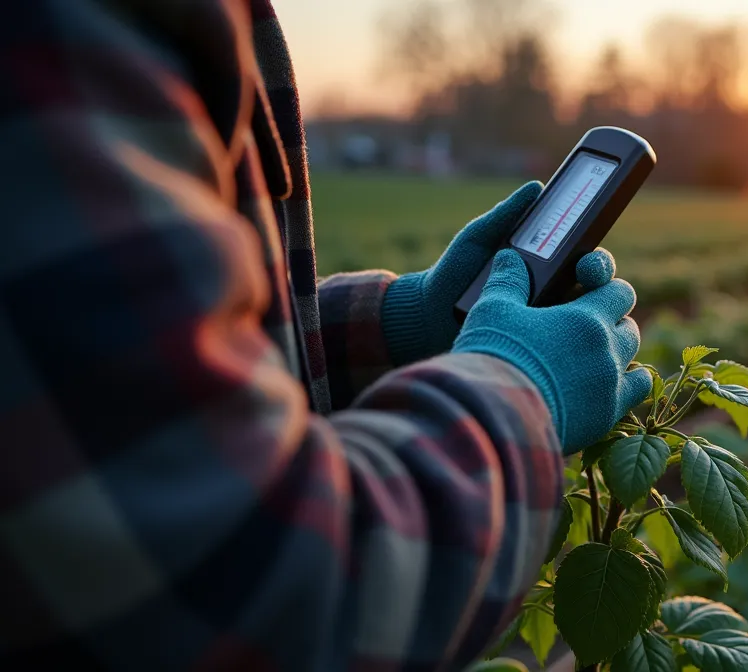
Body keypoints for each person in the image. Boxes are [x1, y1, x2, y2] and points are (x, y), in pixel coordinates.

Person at [0, 1, 652, 670]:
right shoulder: (67, 33)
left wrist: (397, 325)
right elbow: (264, 592)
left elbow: (127, 363)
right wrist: (522, 395)